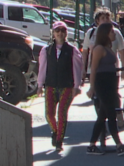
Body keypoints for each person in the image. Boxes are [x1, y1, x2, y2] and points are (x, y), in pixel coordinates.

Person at [86, 23, 124, 156]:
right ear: (105, 34)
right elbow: (93, 68)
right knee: (111, 114)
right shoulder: (99, 49)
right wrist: (92, 87)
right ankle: (119, 145)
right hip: (102, 84)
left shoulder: (109, 48)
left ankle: (91, 145)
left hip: (111, 84)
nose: (114, 34)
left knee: (102, 116)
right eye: (111, 32)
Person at [37, 21, 82, 152]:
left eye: (62, 31)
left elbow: (76, 69)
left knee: (62, 113)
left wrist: (76, 85)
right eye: (57, 31)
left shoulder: (72, 50)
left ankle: (59, 141)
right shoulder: (46, 50)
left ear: (66, 33)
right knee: (49, 114)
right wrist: (40, 85)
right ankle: (55, 131)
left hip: (66, 86)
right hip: (51, 85)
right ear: (53, 33)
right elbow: (42, 68)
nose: (60, 33)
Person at [83, 8, 124, 134]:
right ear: (97, 21)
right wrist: (83, 69)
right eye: (103, 18)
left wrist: (123, 69)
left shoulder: (115, 33)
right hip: (96, 71)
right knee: (99, 100)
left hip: (112, 71)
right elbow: (86, 52)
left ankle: (117, 115)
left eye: (107, 18)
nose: (106, 20)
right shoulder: (91, 33)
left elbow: (122, 51)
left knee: (114, 94)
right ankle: (103, 129)